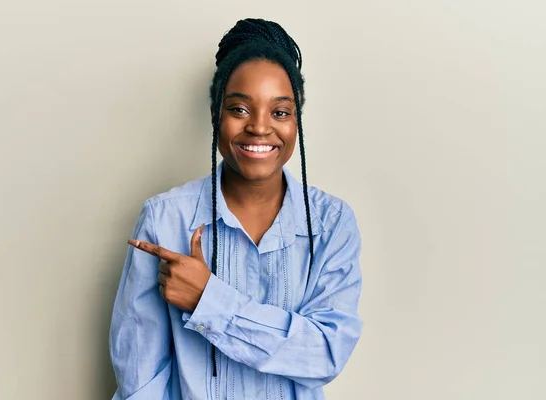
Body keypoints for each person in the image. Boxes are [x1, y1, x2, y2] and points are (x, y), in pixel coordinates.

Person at [109, 18, 363, 400]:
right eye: (240, 109)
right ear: (216, 117)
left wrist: (208, 301)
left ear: (297, 123)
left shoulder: (331, 223)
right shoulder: (164, 220)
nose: (260, 128)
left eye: (280, 112)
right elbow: (141, 379)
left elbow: (325, 353)